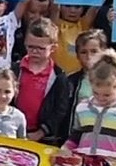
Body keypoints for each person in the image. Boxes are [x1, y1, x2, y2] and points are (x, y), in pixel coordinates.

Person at [11, 18, 72, 147]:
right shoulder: (15, 70)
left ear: (53, 48)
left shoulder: (58, 76)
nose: (34, 51)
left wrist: (42, 132)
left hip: (44, 138)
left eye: (40, 48)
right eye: (30, 47)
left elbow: (60, 109)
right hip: (13, 131)